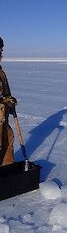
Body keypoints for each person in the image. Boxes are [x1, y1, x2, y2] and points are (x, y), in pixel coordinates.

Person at [0, 36, 17, 165]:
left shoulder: (1, 71)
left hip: (2, 116)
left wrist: (9, 100)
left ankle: (7, 171)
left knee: (8, 137)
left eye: (1, 49)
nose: (1, 53)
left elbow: (6, 91)